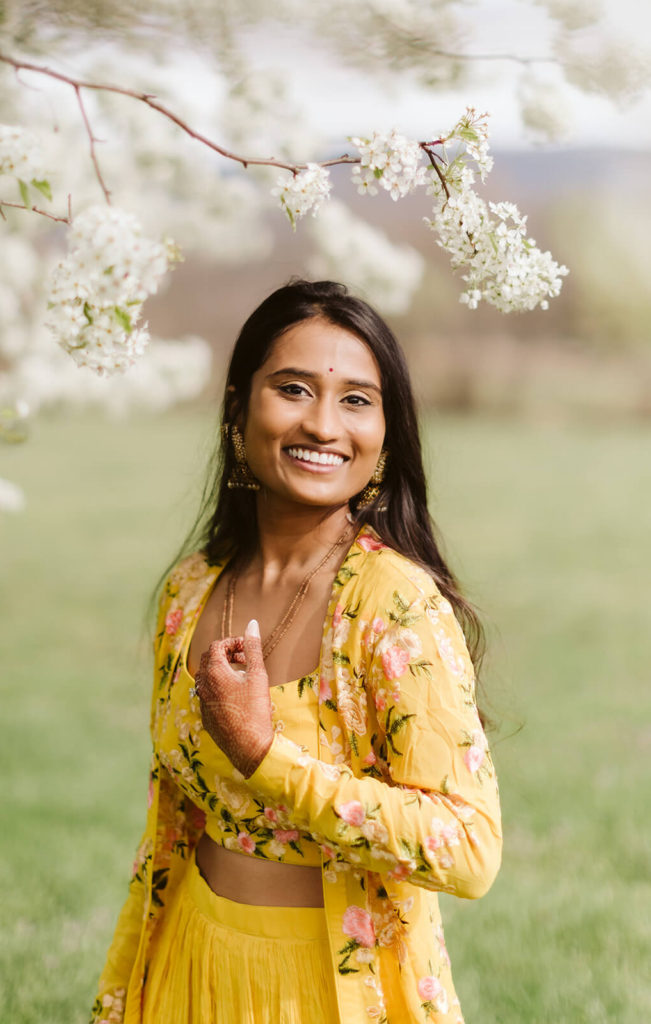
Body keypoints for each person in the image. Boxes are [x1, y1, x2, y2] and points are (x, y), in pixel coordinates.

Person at [91, 279, 502, 1024]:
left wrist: (263, 754)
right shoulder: (189, 591)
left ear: (385, 433)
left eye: (355, 399)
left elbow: (467, 849)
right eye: (292, 388)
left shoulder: (392, 603)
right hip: (187, 964)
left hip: (327, 989)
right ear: (236, 408)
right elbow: (171, 824)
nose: (322, 424)